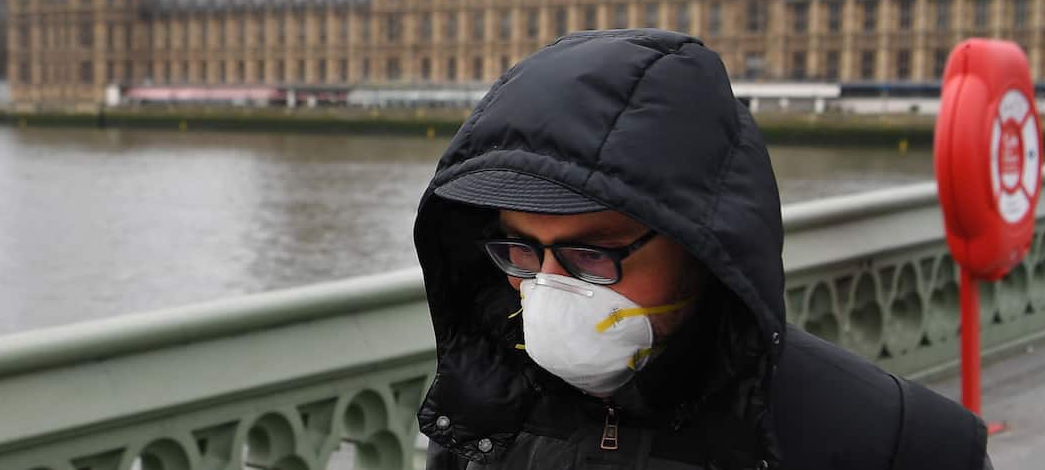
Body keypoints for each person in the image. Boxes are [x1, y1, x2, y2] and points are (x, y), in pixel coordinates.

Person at [414, 29, 990, 469]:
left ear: (698, 243)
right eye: (520, 251)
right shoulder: (482, 422)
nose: (547, 286)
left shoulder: (904, 444)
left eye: (591, 255)